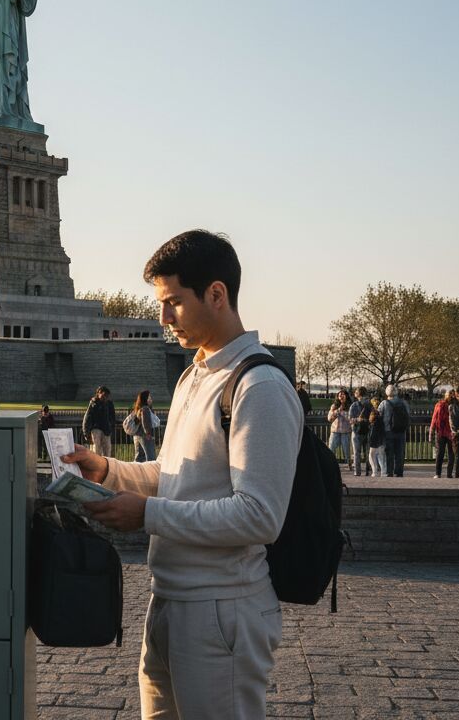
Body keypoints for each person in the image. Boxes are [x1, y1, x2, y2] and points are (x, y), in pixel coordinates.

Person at [62, 230, 302, 720]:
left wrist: (147, 515)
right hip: (169, 598)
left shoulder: (259, 387)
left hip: (222, 607)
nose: (163, 319)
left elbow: (260, 516)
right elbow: (174, 475)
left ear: (216, 294)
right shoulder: (195, 375)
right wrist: (108, 470)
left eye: (173, 303)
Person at [379, 384, 410, 477]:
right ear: (396, 392)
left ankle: (389, 471)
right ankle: (399, 471)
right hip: (401, 431)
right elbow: (408, 415)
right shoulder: (403, 403)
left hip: (388, 431)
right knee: (400, 452)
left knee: (389, 452)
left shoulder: (384, 403)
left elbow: (379, 416)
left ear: (387, 393)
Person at [82, 386, 116, 457]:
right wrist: (86, 432)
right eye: (103, 395)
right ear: (98, 394)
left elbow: (112, 417)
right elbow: (87, 417)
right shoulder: (93, 403)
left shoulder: (109, 404)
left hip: (106, 430)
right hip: (96, 429)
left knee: (106, 452)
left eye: (106, 396)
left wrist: (111, 426)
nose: (105, 397)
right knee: (97, 451)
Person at [429, 388, 456, 479]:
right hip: (448, 431)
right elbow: (434, 418)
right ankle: (448, 474)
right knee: (449, 453)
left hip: (442, 431)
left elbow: (434, 418)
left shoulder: (440, 404)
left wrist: (431, 430)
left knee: (442, 453)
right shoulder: (452, 405)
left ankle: (439, 473)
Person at [128, 390, 160, 463]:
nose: (151, 400)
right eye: (149, 397)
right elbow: (146, 421)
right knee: (151, 458)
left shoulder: (138, 408)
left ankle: (135, 470)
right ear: (145, 399)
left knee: (139, 459)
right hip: (145, 436)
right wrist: (148, 433)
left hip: (137, 435)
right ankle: (151, 471)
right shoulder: (145, 409)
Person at [348, 386, 371, 476]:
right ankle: (367, 471)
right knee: (367, 452)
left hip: (356, 431)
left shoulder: (354, 405)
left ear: (358, 394)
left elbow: (350, 420)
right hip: (367, 430)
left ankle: (357, 472)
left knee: (357, 453)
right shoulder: (369, 404)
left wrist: (357, 419)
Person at [327, 389, 352, 467]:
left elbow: (350, 418)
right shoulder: (334, 406)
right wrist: (338, 410)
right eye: (339, 395)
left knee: (347, 451)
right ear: (337, 397)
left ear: (346, 396)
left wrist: (342, 412)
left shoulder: (350, 406)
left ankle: (349, 465)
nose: (341, 396)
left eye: (343, 394)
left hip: (345, 431)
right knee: (331, 449)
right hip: (335, 431)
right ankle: (330, 465)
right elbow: (329, 418)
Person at [367, 401, 387, 477]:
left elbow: (372, 434)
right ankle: (383, 472)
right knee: (381, 457)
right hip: (382, 441)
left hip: (374, 442)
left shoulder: (373, 423)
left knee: (371, 456)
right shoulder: (381, 420)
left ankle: (374, 471)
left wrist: (370, 442)